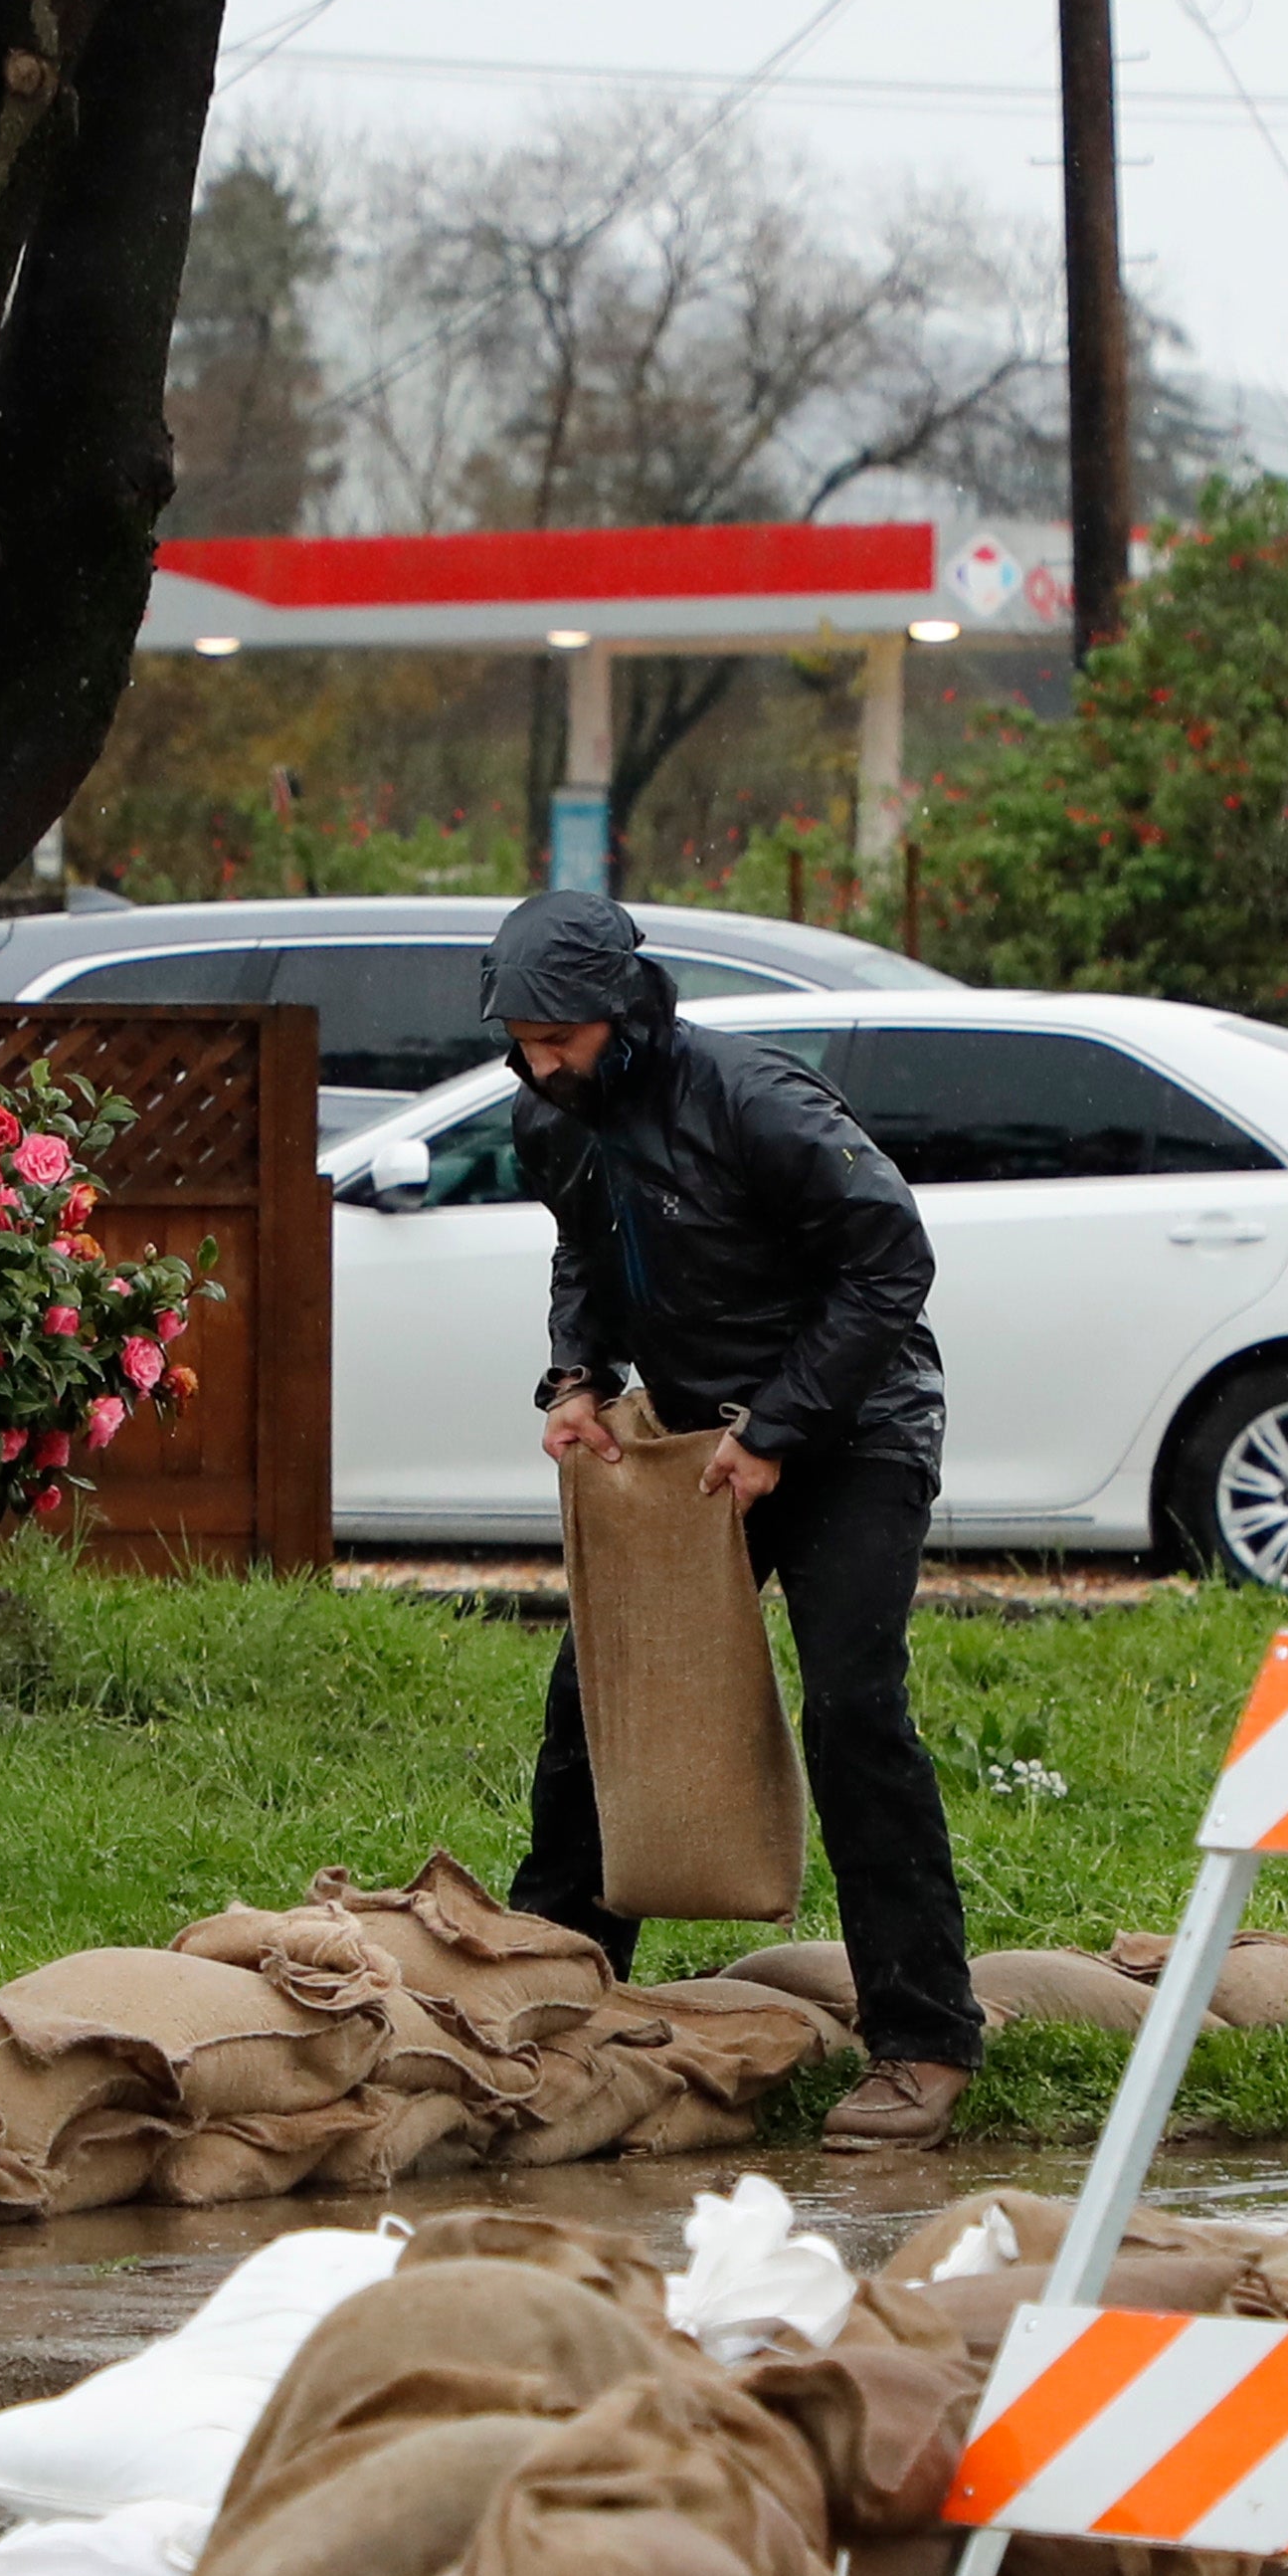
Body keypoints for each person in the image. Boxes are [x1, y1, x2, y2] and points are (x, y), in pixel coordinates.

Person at [482, 891, 983, 2149]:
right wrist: (577, 1378)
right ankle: (557, 1988)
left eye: (561, 1039)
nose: (540, 1065)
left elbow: (892, 1264)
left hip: (857, 1426)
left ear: (625, 1012)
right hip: (704, 1441)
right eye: (523, 1040)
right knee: (598, 1696)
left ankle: (923, 2041)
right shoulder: (553, 1120)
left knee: (855, 1707)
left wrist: (781, 1427)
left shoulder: (757, 1101)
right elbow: (586, 1260)